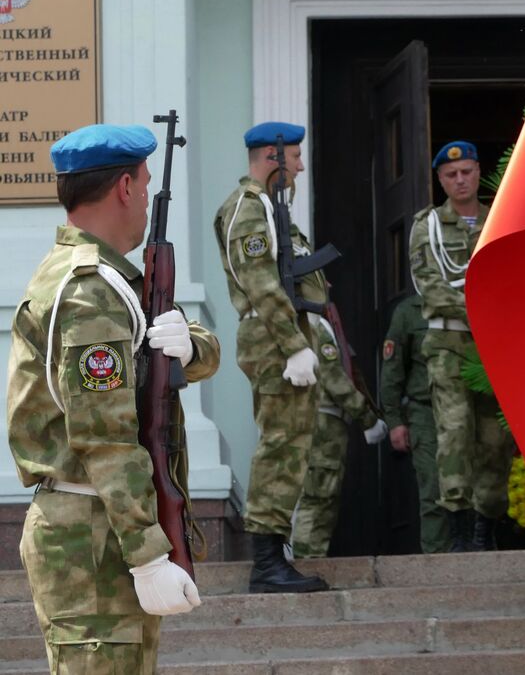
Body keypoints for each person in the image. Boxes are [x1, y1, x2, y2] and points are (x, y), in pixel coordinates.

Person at [8, 124, 220, 672]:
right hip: (94, 536)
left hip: (105, 528)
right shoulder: (89, 292)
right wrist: (149, 555)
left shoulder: (116, 284)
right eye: (145, 188)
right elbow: (104, 436)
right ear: (125, 188)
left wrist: (188, 349)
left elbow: (178, 358)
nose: (146, 201)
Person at [213, 121, 329, 592]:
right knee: (281, 446)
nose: (300, 166)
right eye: (295, 157)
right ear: (272, 157)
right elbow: (260, 283)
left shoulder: (268, 207)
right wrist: (295, 346)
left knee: (292, 444)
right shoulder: (246, 209)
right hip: (272, 339)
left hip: (280, 335)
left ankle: (274, 552)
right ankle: (265, 562)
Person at [409, 140, 513, 551]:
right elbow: (429, 288)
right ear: (440, 180)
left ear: (477, 171)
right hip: (450, 342)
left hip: (495, 348)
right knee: (454, 433)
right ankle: (458, 530)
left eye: (467, 171)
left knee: (495, 441)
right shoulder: (428, 225)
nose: (460, 179)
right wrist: (482, 314)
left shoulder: (499, 219)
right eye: (450, 175)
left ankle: (485, 528)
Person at [289, 279, 389, 559]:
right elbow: (334, 379)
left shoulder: (311, 323)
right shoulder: (315, 325)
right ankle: (307, 561)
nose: (329, 284)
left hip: (321, 420)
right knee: (317, 496)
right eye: (319, 279)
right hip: (323, 422)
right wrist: (367, 418)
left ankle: (312, 559)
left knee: (324, 496)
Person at [380, 292, 454, 553]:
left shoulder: (468, 299)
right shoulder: (408, 311)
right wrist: (394, 420)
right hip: (425, 413)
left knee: (475, 488)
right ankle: (438, 561)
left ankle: (475, 556)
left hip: (470, 409)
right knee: (433, 489)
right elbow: (392, 370)